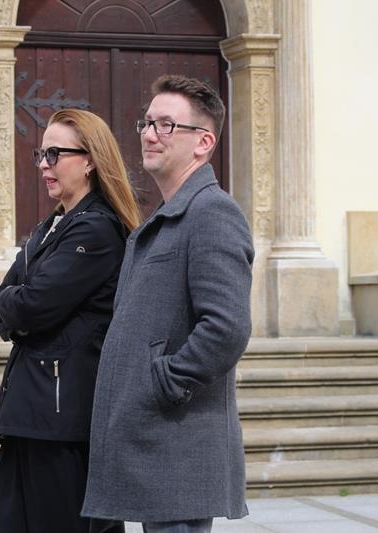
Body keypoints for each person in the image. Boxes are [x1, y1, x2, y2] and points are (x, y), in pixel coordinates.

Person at [82, 75, 255, 532]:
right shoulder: (167, 217)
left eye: (166, 125)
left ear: (203, 143)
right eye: (147, 122)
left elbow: (227, 327)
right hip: (150, 441)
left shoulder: (213, 212)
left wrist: (165, 381)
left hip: (177, 444)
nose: (149, 134)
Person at [0, 109, 142, 533]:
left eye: (55, 154)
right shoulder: (52, 226)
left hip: (61, 419)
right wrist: (14, 304)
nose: (44, 165)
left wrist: (16, 305)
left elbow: (31, 305)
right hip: (32, 412)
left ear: (89, 161)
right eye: (41, 154)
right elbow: (0, 300)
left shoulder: (96, 231)